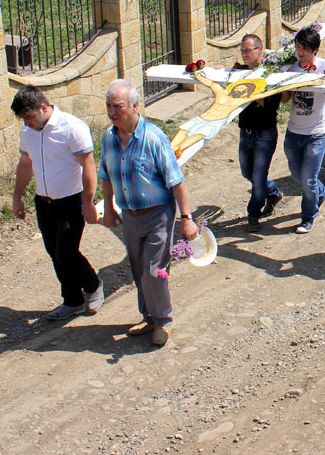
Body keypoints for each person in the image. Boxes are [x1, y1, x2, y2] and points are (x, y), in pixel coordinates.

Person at [98, 79, 194, 348]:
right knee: (139, 270)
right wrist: (108, 209)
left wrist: (186, 219)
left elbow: (177, 181)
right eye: (108, 106)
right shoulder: (108, 138)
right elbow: (105, 176)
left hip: (158, 215)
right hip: (130, 215)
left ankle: (163, 320)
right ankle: (149, 316)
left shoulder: (154, 138)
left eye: (117, 106)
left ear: (135, 106)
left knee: (155, 271)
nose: (112, 112)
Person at [10, 86, 104, 321]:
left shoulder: (72, 128)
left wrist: (88, 202)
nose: (27, 123)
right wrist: (17, 196)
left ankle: (93, 285)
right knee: (54, 252)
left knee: (66, 252)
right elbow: (25, 164)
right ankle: (72, 301)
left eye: (29, 117)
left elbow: (89, 167)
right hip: (44, 202)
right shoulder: (28, 131)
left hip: (71, 201)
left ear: (44, 107)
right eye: (24, 119)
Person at [280, 26, 325, 234]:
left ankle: (308, 216)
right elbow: (285, 100)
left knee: (308, 179)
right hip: (294, 131)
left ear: (315, 49)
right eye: (298, 47)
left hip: (317, 132)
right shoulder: (291, 68)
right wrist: (283, 84)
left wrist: (319, 84)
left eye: (305, 48)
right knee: (296, 173)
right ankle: (321, 192)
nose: (300, 52)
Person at [234, 34, 284, 231]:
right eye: (242, 51)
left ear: (259, 50)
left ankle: (253, 214)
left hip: (265, 133)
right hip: (245, 131)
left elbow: (273, 105)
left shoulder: (273, 74)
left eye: (248, 50)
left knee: (258, 176)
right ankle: (273, 193)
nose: (245, 54)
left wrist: (257, 93)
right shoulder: (238, 73)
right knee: (247, 172)